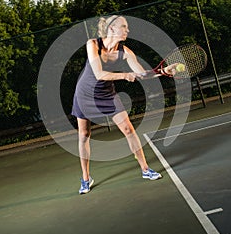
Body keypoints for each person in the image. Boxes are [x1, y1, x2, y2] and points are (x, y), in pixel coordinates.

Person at [72, 15, 177, 194]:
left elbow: (142, 74)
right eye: (124, 26)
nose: (127, 30)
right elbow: (99, 74)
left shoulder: (126, 52)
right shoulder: (93, 44)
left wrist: (162, 71)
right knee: (84, 135)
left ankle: (145, 170)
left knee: (129, 129)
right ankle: (85, 178)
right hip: (84, 94)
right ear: (112, 29)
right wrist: (124, 75)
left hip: (107, 94)